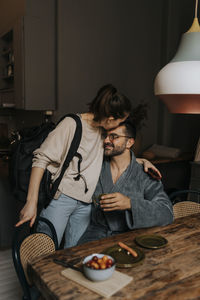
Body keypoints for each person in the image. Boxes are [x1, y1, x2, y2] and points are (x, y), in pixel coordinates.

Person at [15, 84, 161, 248]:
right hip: (61, 199)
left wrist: (141, 161)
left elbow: (112, 153)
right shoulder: (71, 124)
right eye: (121, 120)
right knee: (45, 250)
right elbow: (40, 159)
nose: (122, 124)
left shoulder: (103, 132)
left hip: (86, 204)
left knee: (75, 253)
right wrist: (31, 202)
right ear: (110, 119)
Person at [78, 118, 173, 244]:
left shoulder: (145, 173)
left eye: (114, 137)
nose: (106, 141)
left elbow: (166, 213)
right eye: (105, 136)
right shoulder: (95, 166)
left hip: (131, 238)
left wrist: (130, 204)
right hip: (95, 237)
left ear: (129, 142)